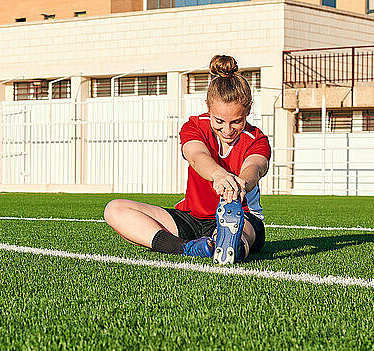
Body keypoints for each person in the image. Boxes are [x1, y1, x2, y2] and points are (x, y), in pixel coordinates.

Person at [104, 55, 271, 263]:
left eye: (236, 122)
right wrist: (218, 175)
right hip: (192, 218)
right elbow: (196, 155)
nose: (227, 130)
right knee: (115, 210)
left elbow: (255, 166)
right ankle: (188, 247)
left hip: (242, 215)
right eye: (219, 121)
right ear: (208, 107)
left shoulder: (257, 139)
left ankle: (229, 242)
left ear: (248, 110)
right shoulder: (193, 126)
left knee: (241, 233)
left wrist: (241, 184)